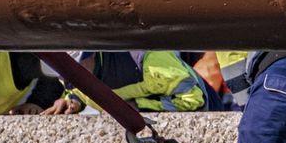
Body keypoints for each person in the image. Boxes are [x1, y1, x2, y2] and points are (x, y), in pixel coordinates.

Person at [42, 50, 211, 114]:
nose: (67, 79)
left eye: (70, 70)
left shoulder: (149, 62)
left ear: (91, 54)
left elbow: (195, 101)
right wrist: (73, 100)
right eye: (60, 73)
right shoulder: (72, 78)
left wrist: (138, 106)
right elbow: (75, 89)